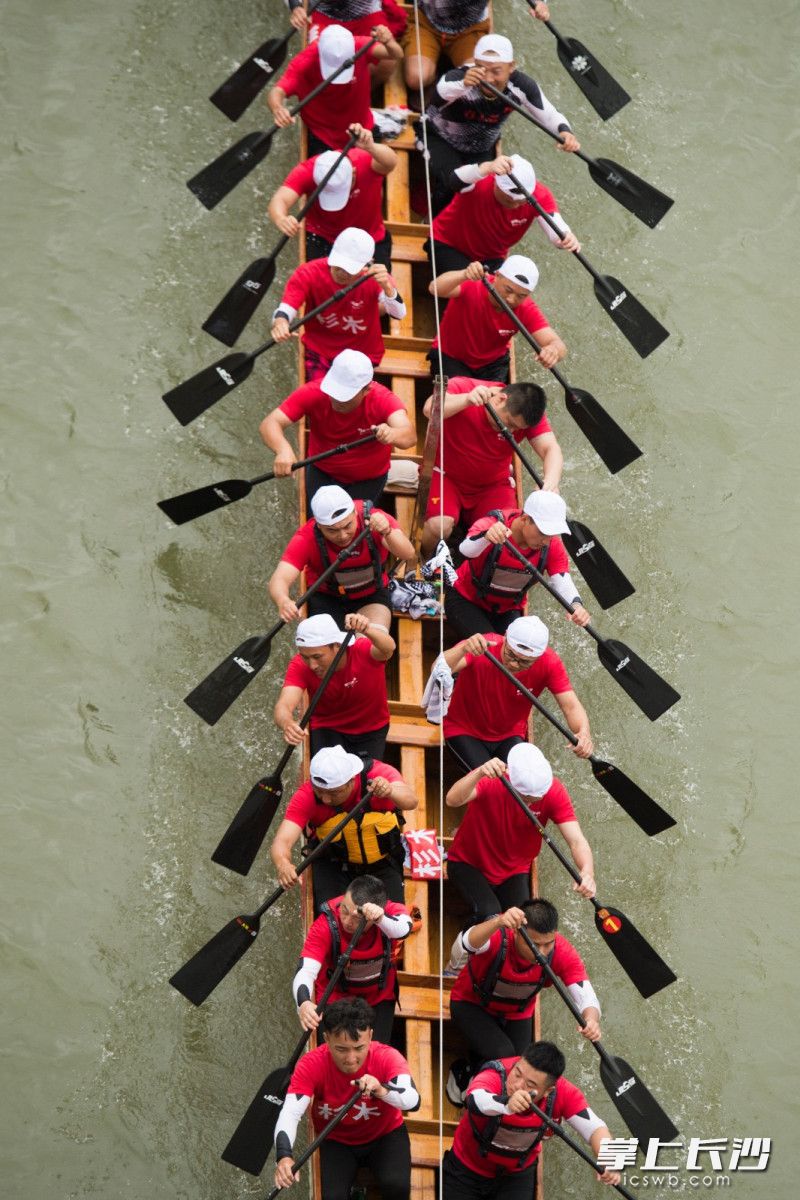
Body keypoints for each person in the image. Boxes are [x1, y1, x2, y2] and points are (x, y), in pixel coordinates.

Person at [446, 899, 601, 1093]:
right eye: (535, 944)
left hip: (517, 1014)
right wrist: (497, 922)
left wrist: (591, 1019)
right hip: (470, 1005)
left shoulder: (561, 951)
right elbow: (460, 950)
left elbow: (585, 994)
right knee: (504, 1055)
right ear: (517, 932)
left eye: (548, 944)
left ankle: (479, 1076)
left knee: (523, 1068)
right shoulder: (498, 936)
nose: (542, 953)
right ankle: (467, 1077)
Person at [274, 998, 419, 1200]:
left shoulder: (388, 1057)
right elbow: (290, 1113)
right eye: (341, 1049)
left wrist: (380, 1088)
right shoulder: (311, 1064)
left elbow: (413, 1101)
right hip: (336, 1140)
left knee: (397, 1187)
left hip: (385, 1136)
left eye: (359, 1048)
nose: (351, 1059)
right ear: (326, 1038)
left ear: (370, 1036)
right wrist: (283, 1156)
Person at [419, 32, 579, 214]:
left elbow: (549, 115)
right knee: (454, 181)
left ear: (511, 66)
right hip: (438, 137)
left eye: (496, 71)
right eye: (481, 68)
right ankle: (433, 216)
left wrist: (565, 133)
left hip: (480, 147)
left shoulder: (521, 86)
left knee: (481, 193)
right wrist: (463, 84)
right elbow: (439, 94)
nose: (487, 79)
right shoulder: (462, 77)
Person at [442, 1040, 621, 1198]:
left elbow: (595, 1128)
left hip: (515, 1176)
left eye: (530, 1085)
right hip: (467, 1168)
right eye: (517, 1074)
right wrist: (506, 1104)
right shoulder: (496, 1073)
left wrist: (610, 1160)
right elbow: (475, 1099)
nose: (518, 1086)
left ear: (549, 1090)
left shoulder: (563, 1093)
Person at [445, 743, 597, 929]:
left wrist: (587, 871)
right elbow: (451, 800)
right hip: (467, 862)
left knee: (521, 924)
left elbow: (576, 841)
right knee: (489, 914)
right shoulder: (492, 779)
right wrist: (478, 773)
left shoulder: (554, 791)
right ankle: (465, 949)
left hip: (514, 870)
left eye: (538, 797)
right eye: (527, 797)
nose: (534, 801)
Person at [420, 378, 563, 558]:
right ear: (500, 399)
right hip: (445, 477)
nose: (510, 431)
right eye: (509, 423)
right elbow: (428, 409)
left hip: (492, 487)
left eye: (516, 428)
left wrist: (551, 480)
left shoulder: (529, 415)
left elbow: (551, 449)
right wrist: (466, 400)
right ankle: (425, 560)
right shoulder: (464, 386)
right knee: (438, 527)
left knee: (506, 536)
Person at [269, 744, 418, 906]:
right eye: (319, 791)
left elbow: (411, 801)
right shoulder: (307, 796)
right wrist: (283, 863)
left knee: (392, 924)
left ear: (351, 781)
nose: (325, 799)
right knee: (333, 922)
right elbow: (282, 841)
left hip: (383, 863)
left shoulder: (379, 774)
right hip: (334, 864)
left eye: (334, 792)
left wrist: (390, 791)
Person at [260, 348, 415, 503]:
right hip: (322, 470)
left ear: (366, 389)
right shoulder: (314, 391)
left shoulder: (383, 399)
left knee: (351, 525)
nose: (337, 400)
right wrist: (283, 450)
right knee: (320, 523)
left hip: (368, 479)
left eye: (345, 395)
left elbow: (409, 437)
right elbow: (270, 423)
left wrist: (391, 434)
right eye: (334, 391)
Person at [439, 617, 593, 768]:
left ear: (539, 656)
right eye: (511, 654)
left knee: (518, 788)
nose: (513, 663)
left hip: (510, 735)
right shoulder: (485, 646)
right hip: (463, 729)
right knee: (489, 785)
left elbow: (570, 706)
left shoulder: (550, 663)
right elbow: (437, 669)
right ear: (505, 637)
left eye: (524, 661)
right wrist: (462, 649)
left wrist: (583, 733)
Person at [444, 490, 590, 638]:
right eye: (543, 532)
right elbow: (465, 551)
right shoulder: (493, 524)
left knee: (522, 652)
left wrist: (576, 606)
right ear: (525, 519)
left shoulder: (551, 545)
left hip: (506, 611)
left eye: (551, 534)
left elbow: (562, 581)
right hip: (465, 600)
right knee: (493, 650)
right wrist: (485, 537)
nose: (546, 541)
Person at [268, 485, 415, 631]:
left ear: (354, 514)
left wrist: (387, 531)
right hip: (327, 599)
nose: (343, 536)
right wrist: (283, 600)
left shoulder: (374, 519)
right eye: (332, 530)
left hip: (371, 596)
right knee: (328, 651)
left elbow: (407, 554)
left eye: (348, 526)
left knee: (370, 646)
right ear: (319, 525)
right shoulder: (306, 537)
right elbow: (279, 579)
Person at [270, 227, 406, 380]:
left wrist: (387, 288)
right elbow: (286, 308)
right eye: (338, 266)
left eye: (349, 269)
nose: (341, 273)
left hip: (362, 356)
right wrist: (280, 323)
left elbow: (399, 314)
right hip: (319, 351)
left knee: (347, 400)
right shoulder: (309, 272)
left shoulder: (376, 278)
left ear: (365, 265)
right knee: (320, 398)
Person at [293, 874, 413, 1043]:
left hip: (378, 996)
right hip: (336, 997)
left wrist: (380, 919)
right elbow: (305, 970)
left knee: (373, 1055)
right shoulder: (325, 924)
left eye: (357, 918)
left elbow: (404, 929)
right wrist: (304, 1003)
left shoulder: (388, 912)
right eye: (344, 910)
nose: (347, 922)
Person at [427, 152, 579, 276]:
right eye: (509, 199)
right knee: (474, 291)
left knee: (504, 297)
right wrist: (487, 167)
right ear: (496, 183)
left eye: (520, 202)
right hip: (447, 244)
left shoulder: (539, 196)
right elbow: (454, 180)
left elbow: (554, 225)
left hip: (492, 259)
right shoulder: (481, 179)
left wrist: (565, 238)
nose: (514, 204)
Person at [268, 123, 397, 267]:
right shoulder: (307, 171)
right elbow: (280, 199)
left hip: (369, 236)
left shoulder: (364, 161)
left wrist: (371, 147)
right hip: (324, 237)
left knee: (379, 286)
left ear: (353, 173)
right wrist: (281, 218)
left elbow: (391, 163)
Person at [268, 23, 403, 154]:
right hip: (323, 136)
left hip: (362, 130)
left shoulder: (359, 45)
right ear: (320, 52)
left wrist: (389, 42)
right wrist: (278, 108)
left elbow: (396, 54)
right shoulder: (304, 63)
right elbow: (277, 91)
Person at [275, 612, 394, 759]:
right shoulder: (299, 665)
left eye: (317, 657)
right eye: (306, 657)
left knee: (361, 779)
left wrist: (366, 629)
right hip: (327, 727)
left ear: (337, 645)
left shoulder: (361, 650)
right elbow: (283, 706)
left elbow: (389, 648)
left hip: (371, 728)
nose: (312, 665)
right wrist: (287, 723)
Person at [429, 257, 566, 384]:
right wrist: (464, 274)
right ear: (497, 276)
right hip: (450, 356)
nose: (511, 300)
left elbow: (558, 344)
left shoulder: (526, 309)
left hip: (491, 365)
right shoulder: (474, 283)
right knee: (463, 402)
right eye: (508, 290)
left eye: (521, 296)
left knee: (496, 407)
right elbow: (434, 288)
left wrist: (553, 351)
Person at [404, 2, 551, 98]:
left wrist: (540, 4)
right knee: (416, 79)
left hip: (470, 30)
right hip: (427, 21)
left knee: (483, 82)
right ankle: (435, 76)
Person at [286, 0, 409, 81]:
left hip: (365, 13)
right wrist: (296, 7)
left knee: (386, 63)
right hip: (322, 13)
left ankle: (361, 95)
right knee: (317, 64)